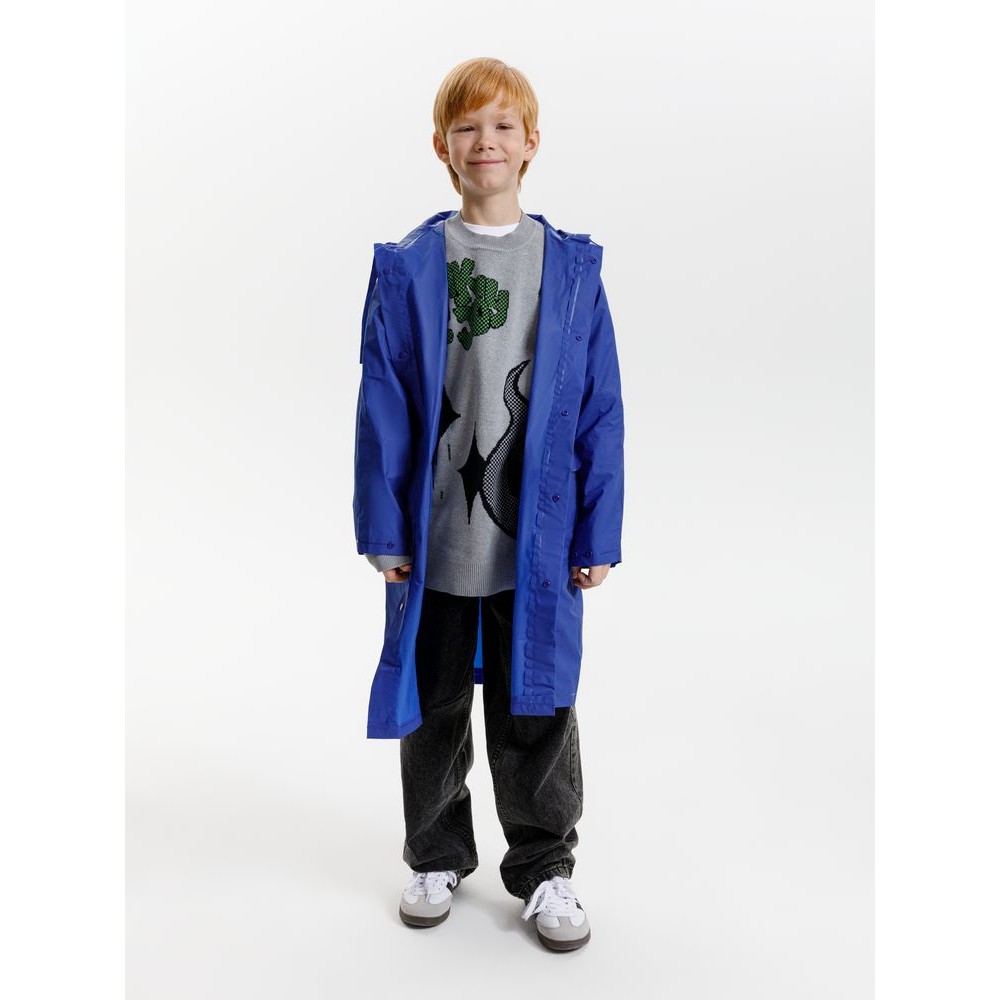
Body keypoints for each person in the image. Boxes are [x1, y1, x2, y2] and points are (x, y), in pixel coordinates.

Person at [352, 56, 625, 952]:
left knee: (535, 706)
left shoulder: (570, 269)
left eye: (503, 126)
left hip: (534, 543)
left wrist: (597, 531)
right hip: (436, 537)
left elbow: (600, 407)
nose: (486, 142)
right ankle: (436, 854)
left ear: (531, 142)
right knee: (433, 708)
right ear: (442, 146)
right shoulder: (408, 267)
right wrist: (384, 530)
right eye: (467, 127)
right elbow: (383, 405)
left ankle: (545, 867)